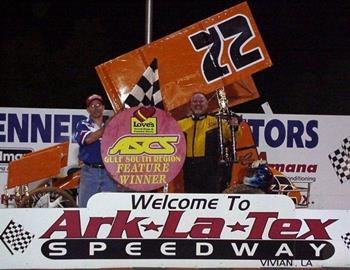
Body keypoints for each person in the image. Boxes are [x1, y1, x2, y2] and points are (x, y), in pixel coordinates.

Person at [178, 92, 240, 193]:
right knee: (190, 199)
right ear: (190, 105)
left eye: (201, 101)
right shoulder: (180, 124)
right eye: (195, 101)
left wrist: (235, 127)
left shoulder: (217, 121)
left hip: (211, 169)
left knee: (211, 198)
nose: (198, 104)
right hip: (188, 168)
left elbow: (233, 136)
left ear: (207, 104)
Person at [74, 94, 118, 207]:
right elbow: (88, 139)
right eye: (92, 106)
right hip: (90, 172)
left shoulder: (112, 124)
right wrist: (106, 128)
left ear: (103, 107)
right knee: (85, 206)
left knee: (111, 207)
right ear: (88, 109)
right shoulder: (82, 124)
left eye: (98, 105)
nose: (96, 108)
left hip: (109, 171)